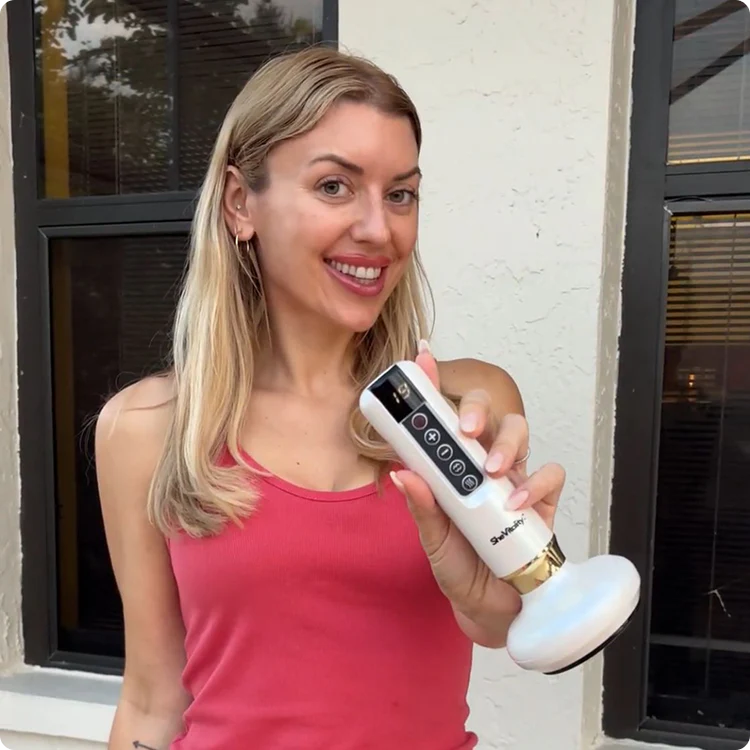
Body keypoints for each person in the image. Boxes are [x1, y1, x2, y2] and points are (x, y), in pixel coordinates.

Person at [95, 45, 567, 750]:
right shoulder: (148, 428)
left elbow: (498, 625)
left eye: (400, 194)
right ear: (240, 204)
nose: (379, 229)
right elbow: (151, 700)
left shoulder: (460, 407)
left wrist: (504, 586)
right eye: (335, 187)